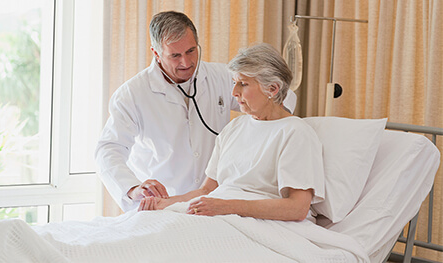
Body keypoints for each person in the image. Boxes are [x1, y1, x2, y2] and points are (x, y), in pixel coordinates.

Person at [95, 12, 297, 212]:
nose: (186, 62)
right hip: (163, 203)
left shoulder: (220, 76)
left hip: (211, 202)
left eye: (191, 51)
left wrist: (270, 136)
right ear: (156, 53)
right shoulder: (133, 94)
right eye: (175, 55)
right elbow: (109, 149)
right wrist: (132, 188)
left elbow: (280, 96)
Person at [139, 43, 324, 222]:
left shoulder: (295, 133)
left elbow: (297, 208)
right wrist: (163, 203)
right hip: (219, 215)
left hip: (258, 222)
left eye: (243, 84)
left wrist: (227, 207)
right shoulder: (234, 128)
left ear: (273, 89)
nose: (234, 92)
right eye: (234, 83)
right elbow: (205, 192)